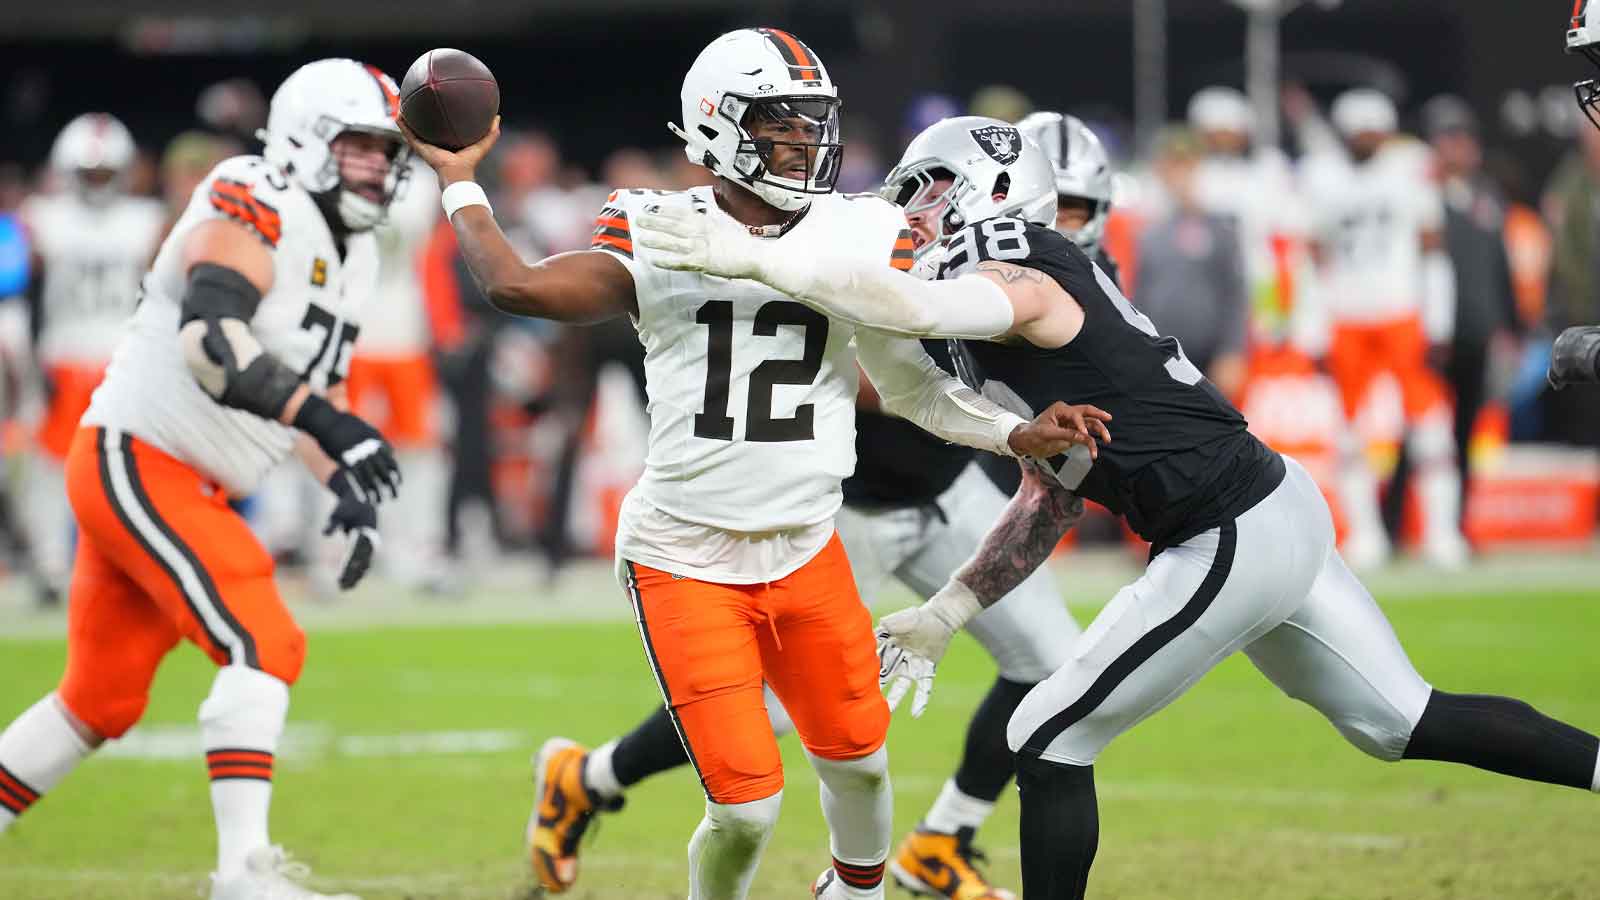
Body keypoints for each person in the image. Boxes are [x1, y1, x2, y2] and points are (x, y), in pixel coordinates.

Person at [660, 113, 1600, 900]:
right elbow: (1052, 493)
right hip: (1271, 510)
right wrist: (952, 609)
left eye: (930, 190)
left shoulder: (1015, 252)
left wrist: (747, 254)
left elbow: (926, 311)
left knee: (1048, 734)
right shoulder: (1019, 283)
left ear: (984, 193)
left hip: (1226, 527)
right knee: (1403, 721)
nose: (913, 211)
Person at [400, 28, 1101, 900]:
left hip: (808, 544)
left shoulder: (859, 227)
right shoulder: (660, 225)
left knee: (863, 769)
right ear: (719, 126)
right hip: (685, 553)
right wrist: (459, 179)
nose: (807, 143)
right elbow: (519, 287)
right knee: (746, 811)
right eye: (783, 125)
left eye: (815, 124)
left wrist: (1011, 432)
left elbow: (917, 375)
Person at [0, 59, 407, 900]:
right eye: (361, 147)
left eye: (386, 151)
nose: (379, 167)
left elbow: (317, 386)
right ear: (304, 141)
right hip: (140, 458)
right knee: (266, 640)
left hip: (182, 476)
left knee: (97, 701)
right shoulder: (252, 191)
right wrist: (331, 427)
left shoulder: (356, 250)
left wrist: (347, 486)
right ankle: (243, 876)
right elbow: (213, 340)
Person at [1300, 89, 1468, 569]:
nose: (1365, 139)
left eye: (1372, 130)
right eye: (1357, 131)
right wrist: (1312, 328)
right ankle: (1366, 535)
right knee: (1349, 432)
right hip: (1347, 314)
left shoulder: (1410, 170)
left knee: (1431, 426)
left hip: (1401, 311)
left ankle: (1441, 532)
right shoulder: (1322, 176)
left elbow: (1433, 250)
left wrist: (1438, 321)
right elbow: (1313, 258)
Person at [18, 113, 166, 604]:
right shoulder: (43, 216)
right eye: (90, 174)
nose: (98, 183)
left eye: (105, 174)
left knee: (129, 465)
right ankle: (50, 562)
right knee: (50, 466)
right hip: (62, 356)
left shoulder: (144, 219)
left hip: (122, 357)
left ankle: (126, 559)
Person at [1129, 127, 1249, 399]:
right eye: (1171, 164)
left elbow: (1234, 292)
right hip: (1156, 350)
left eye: (1186, 164)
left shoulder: (1218, 226)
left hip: (1208, 353)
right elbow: (1133, 291)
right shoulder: (1143, 224)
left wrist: (1233, 350)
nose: (1178, 174)